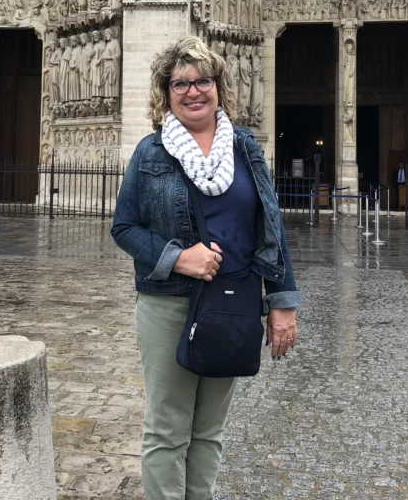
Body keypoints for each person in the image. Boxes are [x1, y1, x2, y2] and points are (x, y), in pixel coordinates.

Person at [111, 36, 300, 500]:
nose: (193, 91)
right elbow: (123, 228)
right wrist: (179, 257)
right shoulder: (151, 153)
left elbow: (269, 226)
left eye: (202, 81)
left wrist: (281, 303)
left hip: (233, 302)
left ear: (219, 87)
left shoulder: (244, 148)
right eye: (181, 83)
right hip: (169, 305)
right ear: (166, 91)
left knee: (209, 431)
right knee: (168, 428)